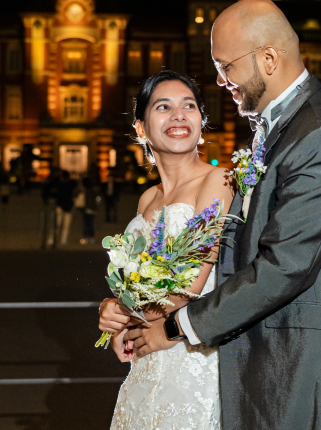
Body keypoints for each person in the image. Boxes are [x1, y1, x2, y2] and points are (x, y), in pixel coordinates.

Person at [100, 0, 321, 429]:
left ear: (268, 58)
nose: (219, 79)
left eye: (226, 66)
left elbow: (285, 265)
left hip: (301, 360)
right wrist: (128, 312)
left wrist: (173, 327)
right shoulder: (278, 130)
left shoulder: (320, 134)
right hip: (254, 348)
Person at [99, 70, 233, 429]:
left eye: (189, 106)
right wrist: (111, 310)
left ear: (201, 122)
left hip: (190, 359)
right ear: (141, 128)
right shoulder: (147, 198)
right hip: (147, 363)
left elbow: (189, 283)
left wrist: (127, 317)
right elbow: (139, 281)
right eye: (164, 106)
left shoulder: (217, 181)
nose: (179, 115)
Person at [55, 170, 77, 246]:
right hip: (68, 206)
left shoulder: (59, 184)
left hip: (60, 206)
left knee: (57, 223)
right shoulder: (71, 184)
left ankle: (53, 238)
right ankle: (64, 239)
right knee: (66, 225)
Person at [79, 177, 100, 245]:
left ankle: (87, 238)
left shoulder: (86, 191)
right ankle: (91, 238)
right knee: (90, 224)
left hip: (87, 209)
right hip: (92, 210)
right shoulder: (93, 190)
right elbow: (97, 200)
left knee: (86, 224)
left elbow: (87, 201)